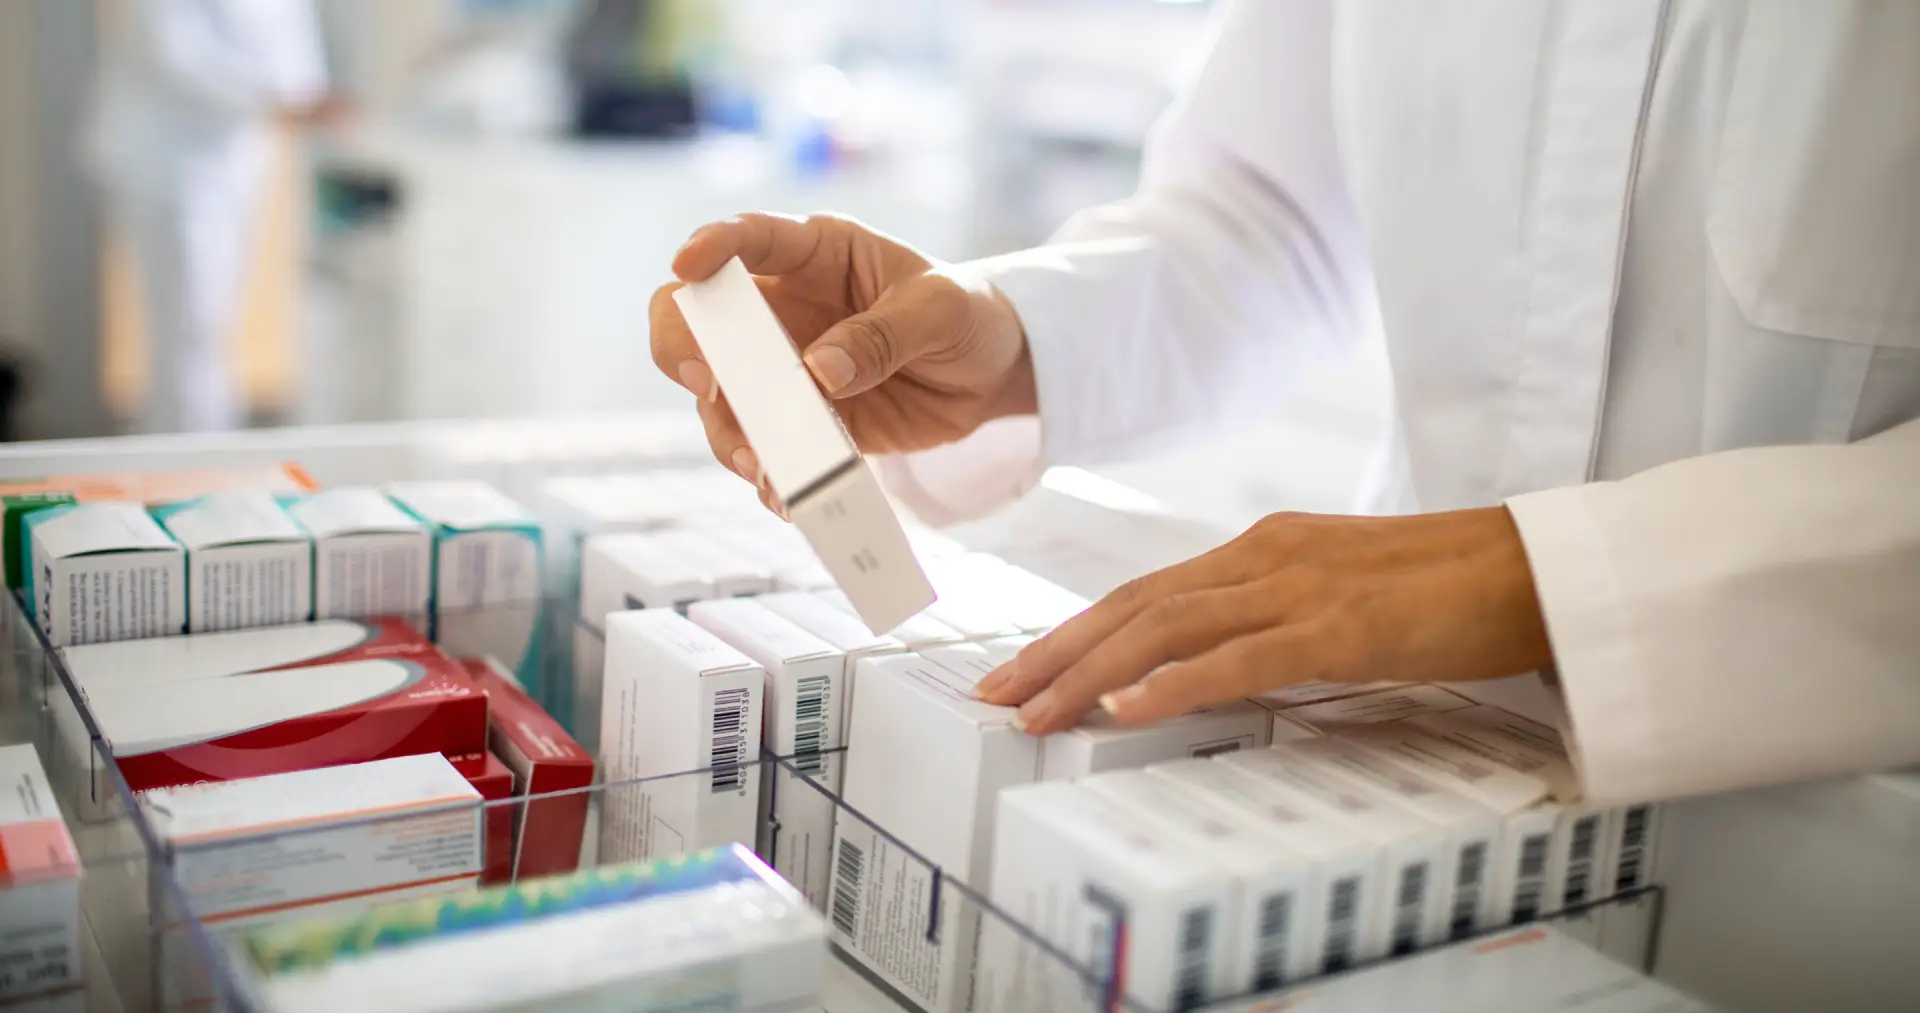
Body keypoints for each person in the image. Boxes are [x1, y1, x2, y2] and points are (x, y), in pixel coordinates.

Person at [651, 0, 1920, 807]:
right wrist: (1013, 343)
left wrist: (1551, 578)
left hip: (1839, 808)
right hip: (1393, 747)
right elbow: (1271, 218)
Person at [84, 0, 345, 434]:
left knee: (213, 328)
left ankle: (205, 456)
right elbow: (174, 53)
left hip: (233, 162)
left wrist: (307, 100)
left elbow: (296, 57)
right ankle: (180, 464)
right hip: (167, 164)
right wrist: (281, 102)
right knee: (189, 329)